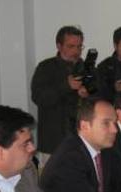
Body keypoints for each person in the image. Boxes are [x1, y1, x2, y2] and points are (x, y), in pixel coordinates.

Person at [31, 26, 89, 157]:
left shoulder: (87, 68)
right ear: (59, 46)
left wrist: (87, 94)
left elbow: (99, 99)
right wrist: (66, 86)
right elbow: (38, 97)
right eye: (71, 46)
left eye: (79, 46)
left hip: (82, 140)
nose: (76, 51)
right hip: (53, 142)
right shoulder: (46, 67)